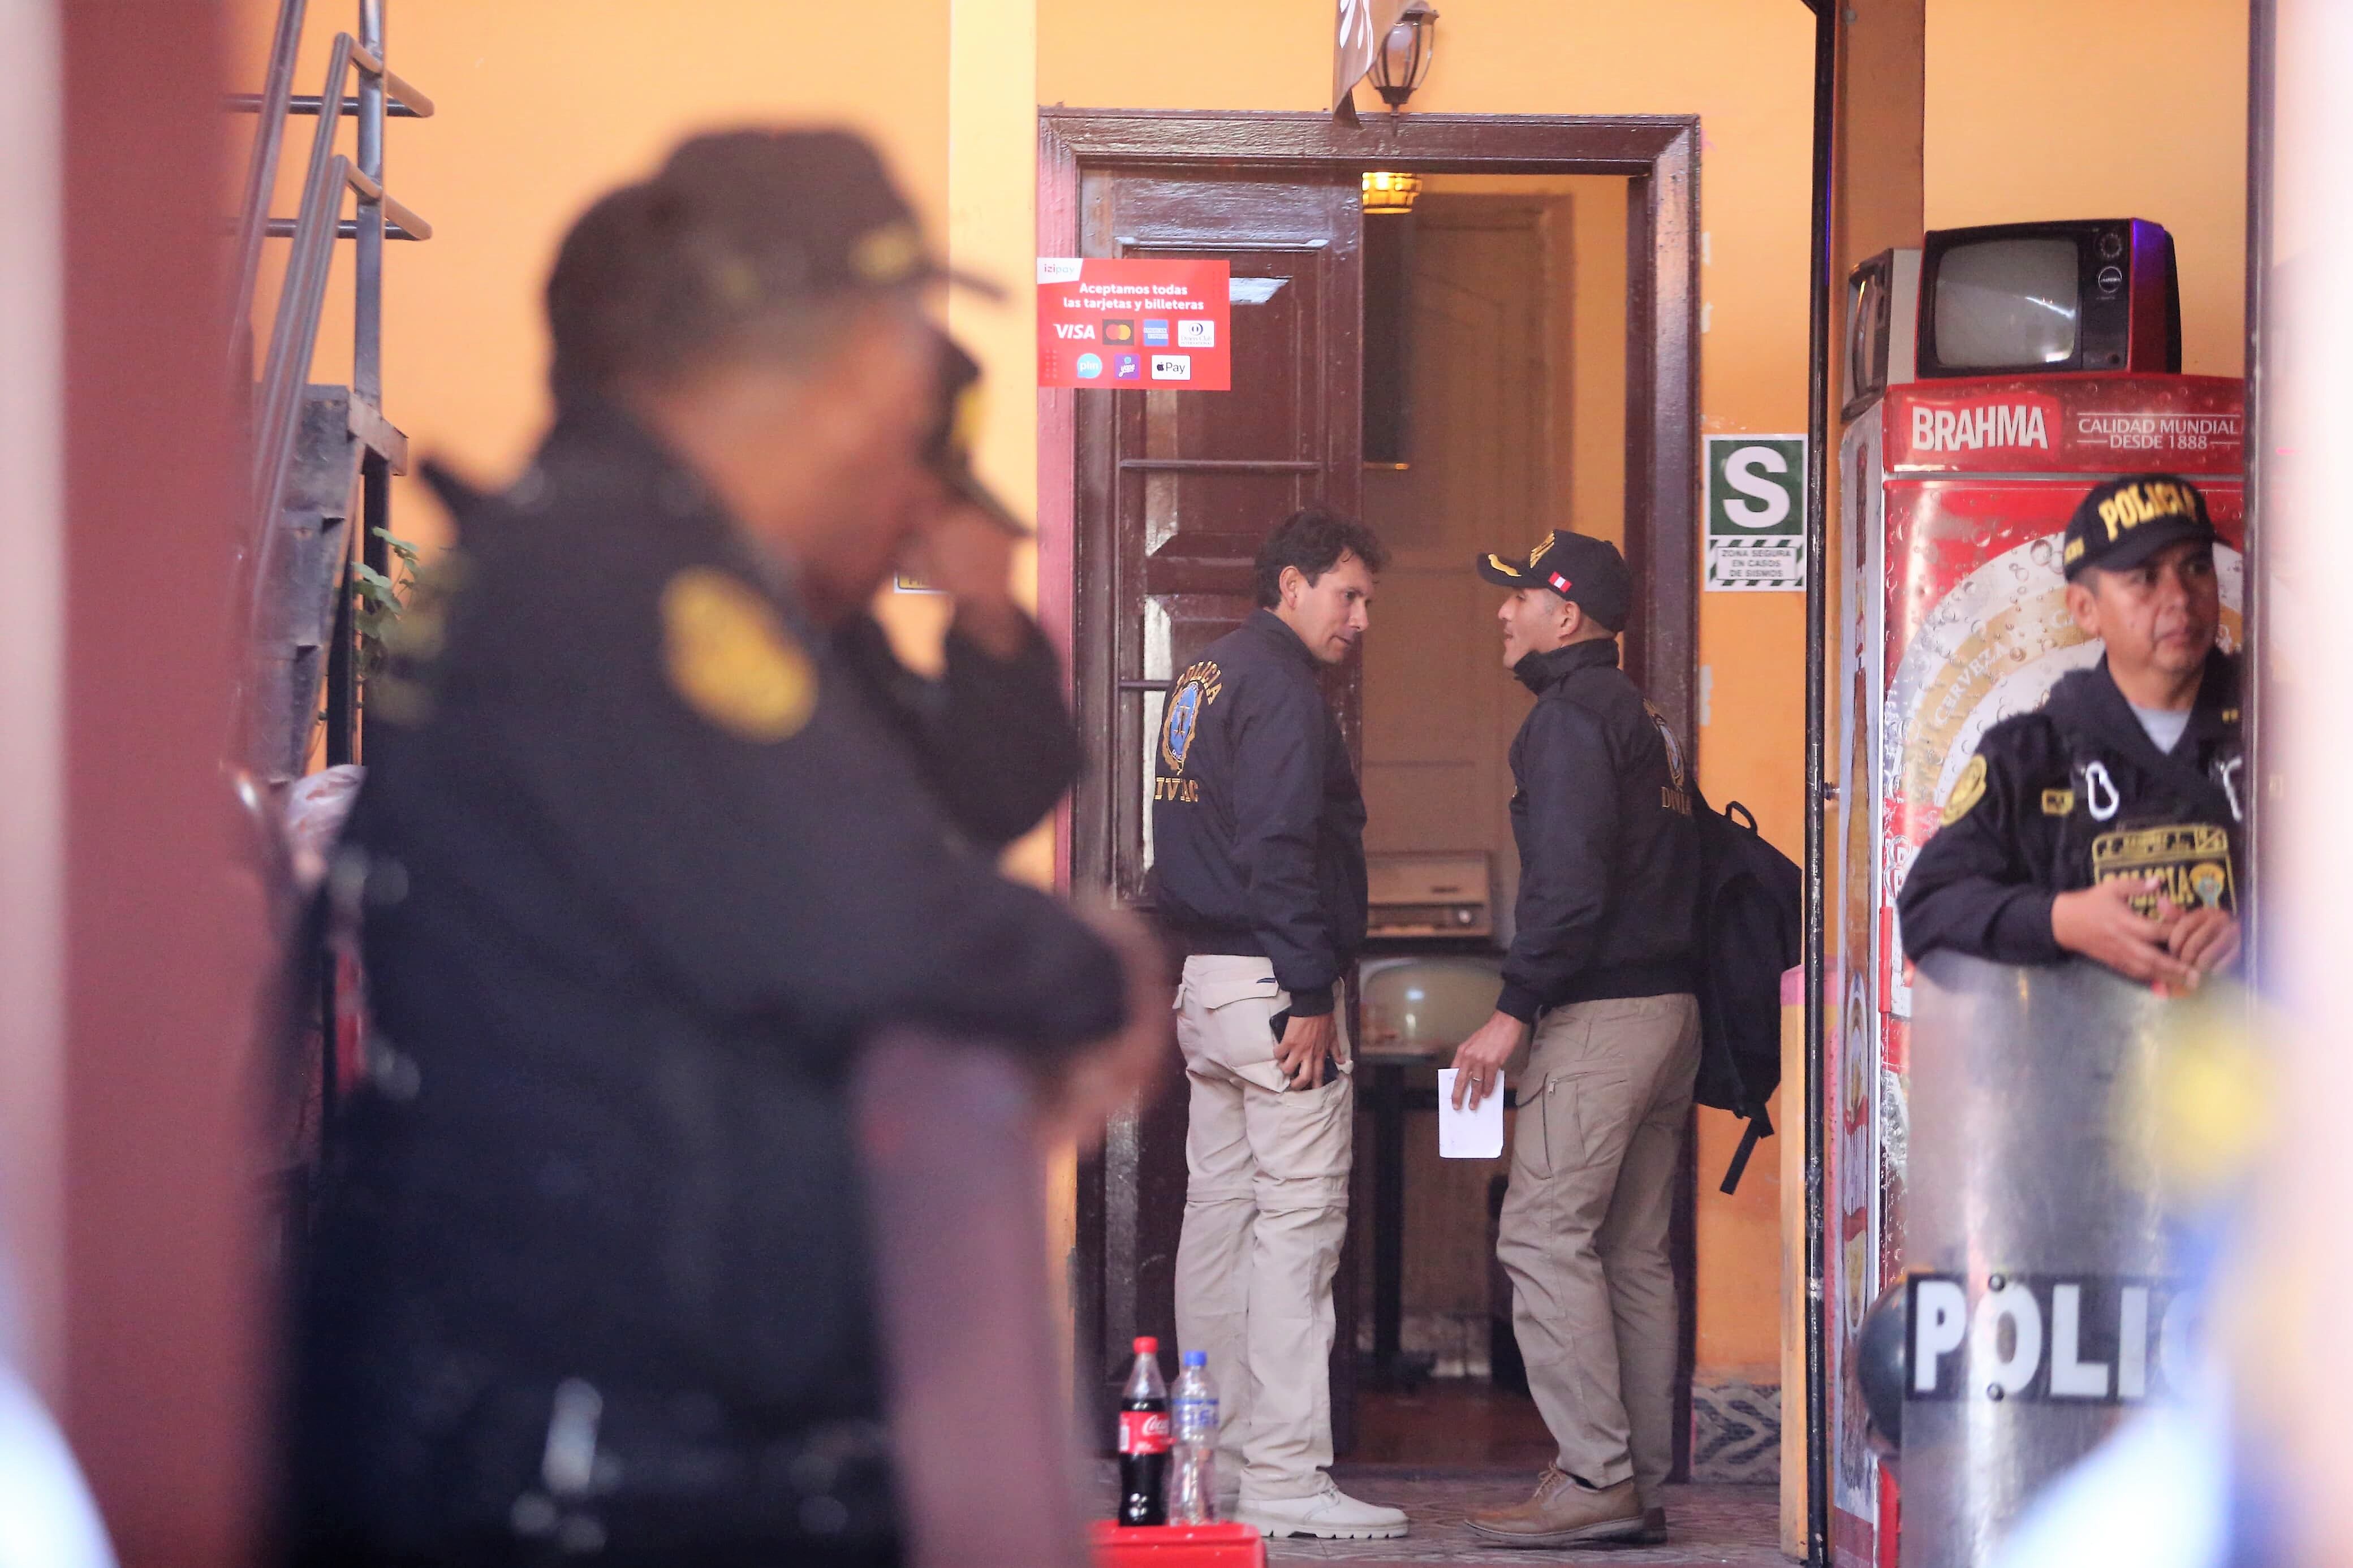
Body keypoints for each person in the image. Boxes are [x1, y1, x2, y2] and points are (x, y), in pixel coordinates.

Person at [286, 129, 1156, 1567]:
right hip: (582, 1457)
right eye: (889, 339)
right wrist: (1092, 974)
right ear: (821, 359)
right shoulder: (636, 587)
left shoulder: (591, 553)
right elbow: (861, 913)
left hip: (564, 1421)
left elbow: (898, 832)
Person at [1147, 507, 1406, 1542]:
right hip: (1272, 990)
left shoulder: (1205, 675)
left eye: (1368, 601)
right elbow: (1280, 847)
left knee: (1220, 1219)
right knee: (1298, 1231)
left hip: (1206, 984)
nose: (1360, 620)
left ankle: (1208, 1463)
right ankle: (1288, 1475)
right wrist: (1311, 991)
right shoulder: (1286, 693)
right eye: (1349, 595)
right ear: (1291, 584)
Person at [1448, 530, 1700, 1550]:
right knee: (1631, 1251)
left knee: (1542, 1234)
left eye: (1517, 598)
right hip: (1671, 1014)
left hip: (1600, 1020)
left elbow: (1568, 881)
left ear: (1568, 615)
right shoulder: (1641, 715)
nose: (1502, 614)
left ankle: (1594, 1473)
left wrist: (1515, 1006)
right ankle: (1633, 1480)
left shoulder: (1566, 720)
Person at [1899, 473, 2243, 987]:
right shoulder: (2031, 756)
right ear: (2085, 609)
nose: (2179, 597)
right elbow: (1928, 909)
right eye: (2144, 577)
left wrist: (2263, 935)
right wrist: (2064, 921)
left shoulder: (2296, 734)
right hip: (2088, 1062)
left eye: (2196, 567)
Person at [828, 336, 1080, 852]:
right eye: (914, 497)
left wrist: (986, 619)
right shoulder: (709, 604)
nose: (920, 529)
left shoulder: (842, 630)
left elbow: (994, 798)